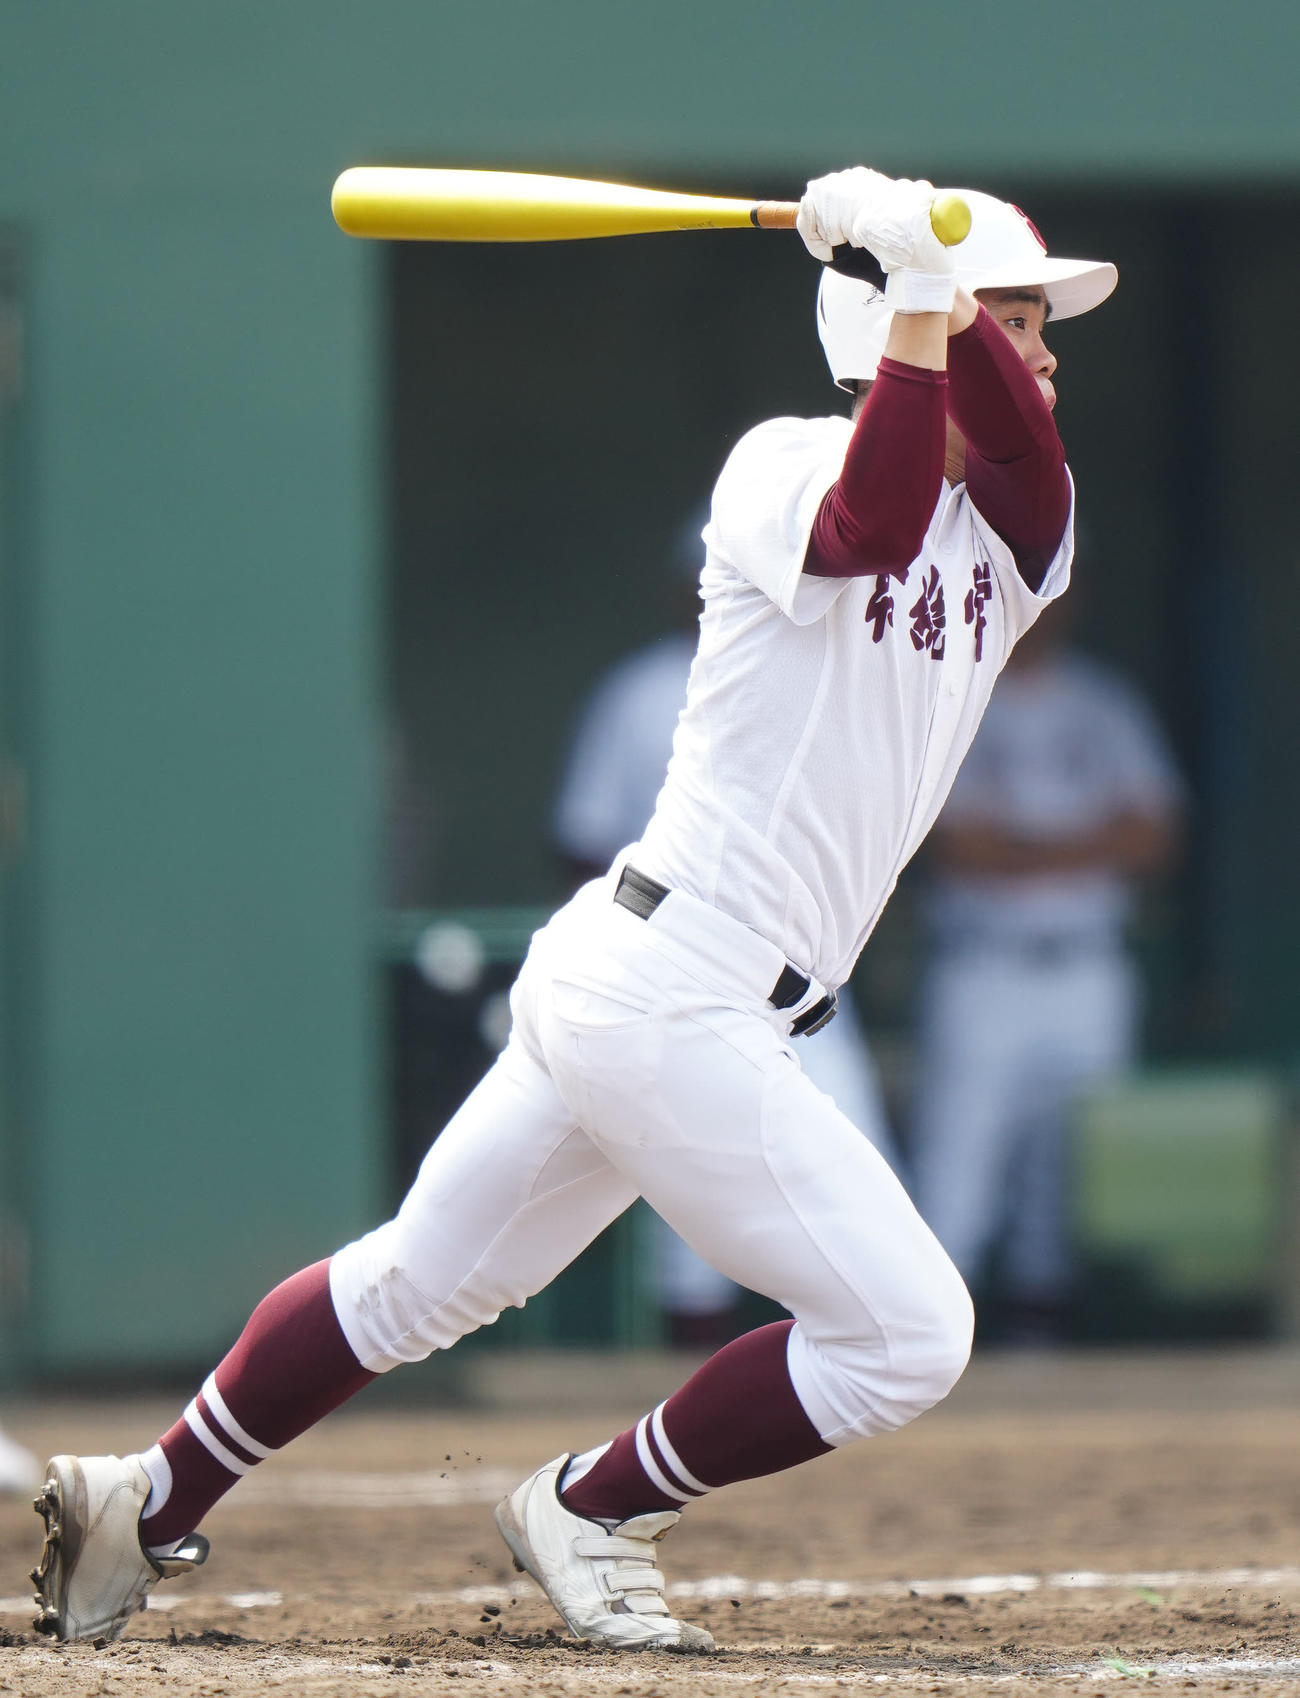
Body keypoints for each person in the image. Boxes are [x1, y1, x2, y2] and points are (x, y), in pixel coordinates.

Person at [31, 170, 1117, 1652]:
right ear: (895, 328)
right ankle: (594, 1505)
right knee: (913, 1332)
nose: (1046, 351)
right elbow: (865, 523)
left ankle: (141, 1503)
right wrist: (919, 290)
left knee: (419, 1279)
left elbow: (1018, 462)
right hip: (673, 982)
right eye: (1022, 316)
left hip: (669, 992)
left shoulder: (1017, 533)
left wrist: (929, 286)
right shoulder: (777, 465)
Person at [552, 515, 899, 1345]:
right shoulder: (642, 692)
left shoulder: (830, 668)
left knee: (869, 1194)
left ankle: (866, 1389)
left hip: (801, 983)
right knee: (689, 1221)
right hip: (677, 973)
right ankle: (691, 1419)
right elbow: (577, 841)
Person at [908, 603, 1183, 1341]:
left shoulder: (1104, 702)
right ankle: (926, 1360)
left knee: (1063, 1183)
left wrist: (1025, 852)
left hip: (1088, 969)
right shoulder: (951, 689)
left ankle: (1043, 1366)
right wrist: (1086, 846)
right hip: (982, 967)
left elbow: (1153, 832)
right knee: (955, 1176)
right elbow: (955, 844)